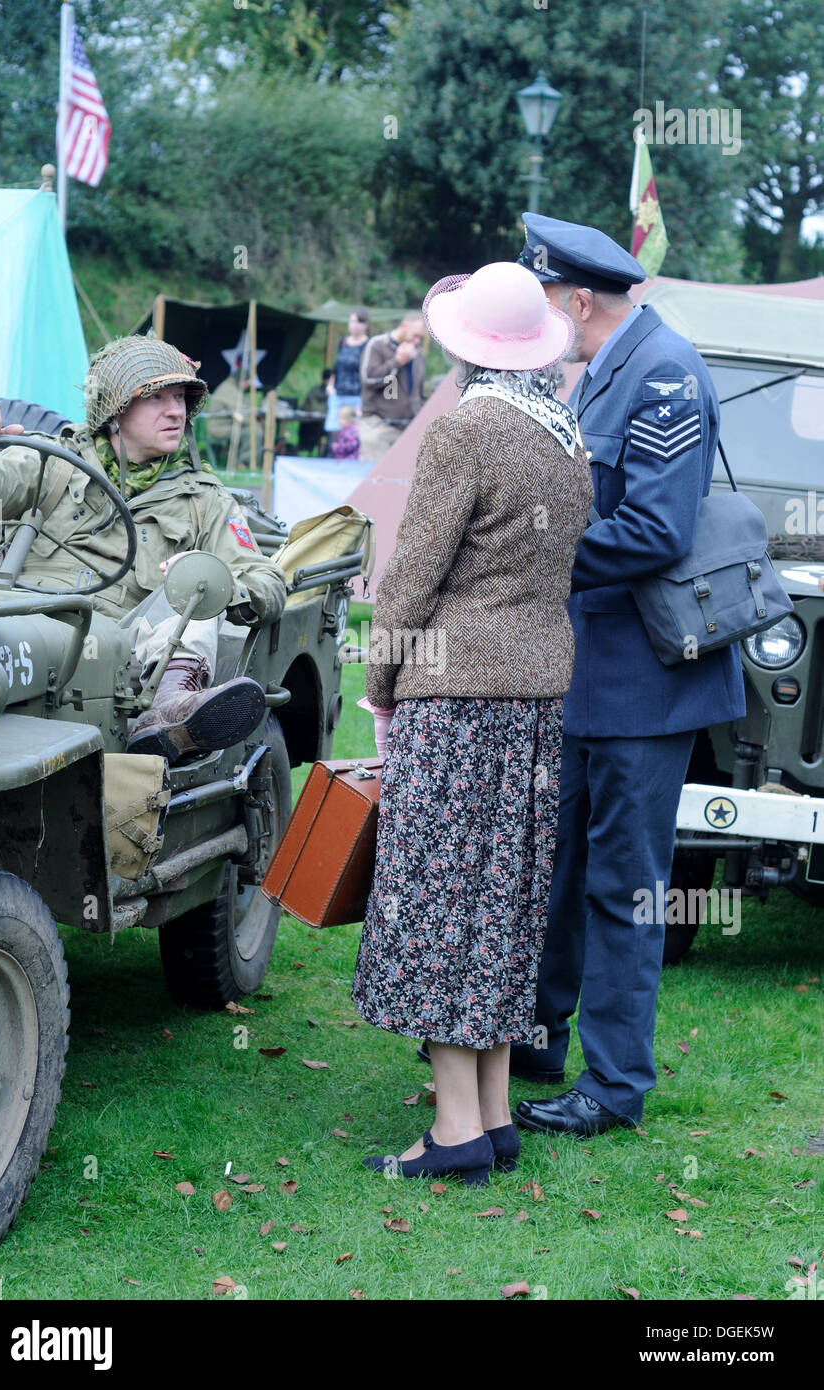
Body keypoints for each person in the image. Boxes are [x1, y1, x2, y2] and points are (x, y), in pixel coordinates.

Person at [352, 262, 593, 1186]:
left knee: (441, 902)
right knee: (501, 899)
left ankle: (455, 1128)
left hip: (456, 695)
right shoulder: (564, 435)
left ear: (464, 345)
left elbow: (410, 578)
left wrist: (379, 682)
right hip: (536, 695)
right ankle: (491, 1115)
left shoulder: (465, 429)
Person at [509, 214, 745, 1137]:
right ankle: (534, 1036)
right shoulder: (609, 366)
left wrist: (528, 561)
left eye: (541, 303)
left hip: (642, 686)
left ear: (575, 300)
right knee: (559, 867)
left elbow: (654, 532)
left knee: (624, 885)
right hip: (592, 674)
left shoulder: (663, 373)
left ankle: (612, 1088)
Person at [0, 335, 287, 763]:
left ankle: (171, 711)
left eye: (181, 398)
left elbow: (268, 581)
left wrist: (216, 581)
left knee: (198, 581)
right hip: (21, 617)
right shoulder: (54, 461)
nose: (176, 410)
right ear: (114, 409)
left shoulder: (205, 500)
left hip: (125, 652)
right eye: (157, 398)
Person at [358, 313, 426, 460]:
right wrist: (398, 362)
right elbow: (368, 379)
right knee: (374, 480)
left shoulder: (417, 354)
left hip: (407, 429)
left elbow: (417, 393)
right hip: (377, 426)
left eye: (421, 338)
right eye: (415, 336)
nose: (416, 342)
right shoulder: (377, 345)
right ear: (403, 326)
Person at [204, 365, 264, 468]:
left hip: (227, 425)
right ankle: (244, 463)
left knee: (254, 429)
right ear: (242, 381)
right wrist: (253, 420)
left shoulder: (232, 387)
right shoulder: (229, 390)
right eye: (247, 382)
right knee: (254, 431)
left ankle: (247, 461)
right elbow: (240, 414)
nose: (248, 386)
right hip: (219, 428)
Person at [324, 310, 370, 436]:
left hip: (356, 397)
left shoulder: (369, 344)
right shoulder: (343, 341)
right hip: (338, 395)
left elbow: (370, 373)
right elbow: (336, 367)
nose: (354, 325)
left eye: (358, 322)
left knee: (353, 436)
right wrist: (330, 387)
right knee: (334, 435)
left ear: (366, 325)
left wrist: (365, 399)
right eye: (352, 321)